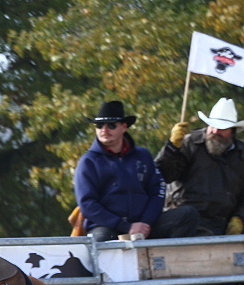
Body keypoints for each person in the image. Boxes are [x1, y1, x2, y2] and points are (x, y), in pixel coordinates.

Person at [155, 97, 244, 285]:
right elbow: (163, 174)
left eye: (222, 128)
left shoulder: (242, 154)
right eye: (212, 125)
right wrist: (171, 148)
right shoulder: (189, 144)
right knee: (207, 242)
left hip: (225, 220)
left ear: (232, 131)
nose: (215, 131)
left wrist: (240, 217)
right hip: (187, 219)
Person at [74, 101, 199, 242]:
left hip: (146, 225)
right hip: (107, 227)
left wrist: (145, 223)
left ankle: (174, 262)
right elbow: (87, 204)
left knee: (188, 214)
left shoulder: (143, 155)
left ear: (124, 126)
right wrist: (126, 226)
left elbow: (157, 190)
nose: (104, 130)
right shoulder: (88, 161)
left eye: (111, 125)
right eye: (99, 126)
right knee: (101, 241)